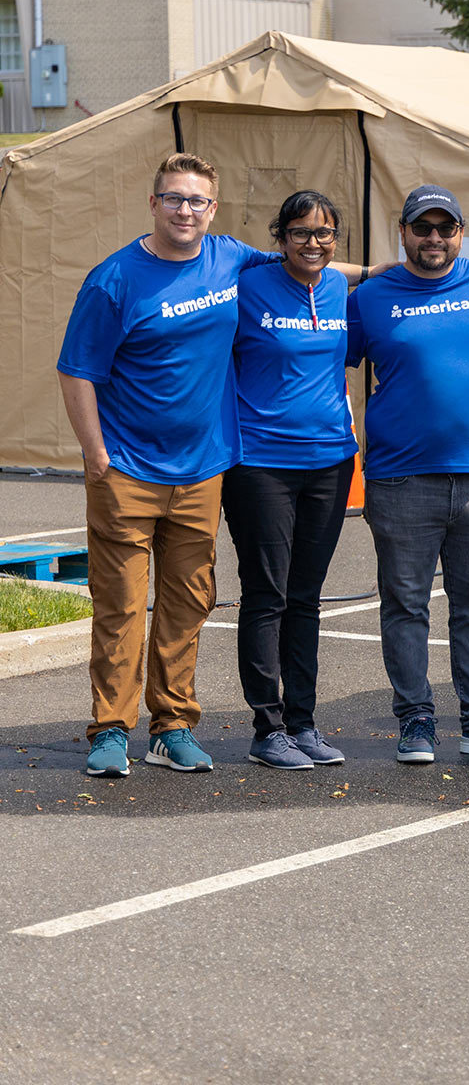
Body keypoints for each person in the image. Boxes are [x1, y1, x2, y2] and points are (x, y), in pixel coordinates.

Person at [58, 154, 282, 777]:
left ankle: (172, 726)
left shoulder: (229, 256)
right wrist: (96, 456)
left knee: (188, 604)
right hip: (127, 471)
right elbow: (76, 371)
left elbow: (302, 260)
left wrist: (379, 268)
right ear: (153, 204)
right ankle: (110, 729)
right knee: (122, 606)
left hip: (202, 470)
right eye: (175, 199)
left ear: (213, 209)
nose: (186, 210)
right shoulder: (115, 280)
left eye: (198, 202)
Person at [347, 184, 469, 764]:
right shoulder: (371, 295)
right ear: (402, 232)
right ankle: (415, 721)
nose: (434, 238)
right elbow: (327, 360)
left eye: (445, 228)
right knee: (405, 605)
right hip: (400, 478)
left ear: (460, 232)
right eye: (422, 228)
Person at [222, 190, 360, 771]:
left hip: (329, 461)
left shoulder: (341, 291)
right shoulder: (246, 284)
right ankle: (266, 727)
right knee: (267, 593)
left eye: (325, 234)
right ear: (279, 237)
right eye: (301, 233)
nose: (313, 243)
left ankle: (302, 722)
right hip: (260, 463)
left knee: (306, 597)